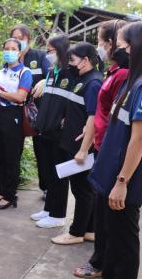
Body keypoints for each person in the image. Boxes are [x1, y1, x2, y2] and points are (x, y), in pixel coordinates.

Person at [74, 20, 129, 278]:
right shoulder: (113, 72)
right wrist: (91, 129)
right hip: (102, 149)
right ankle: (99, 261)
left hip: (111, 153)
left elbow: (119, 120)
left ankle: (102, 263)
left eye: (100, 39)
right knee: (102, 211)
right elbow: (103, 113)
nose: (99, 45)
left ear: (112, 42)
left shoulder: (123, 77)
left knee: (114, 219)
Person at [89, 22, 142, 279]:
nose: (116, 52)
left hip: (123, 178)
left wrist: (122, 181)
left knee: (123, 242)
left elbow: (139, 140)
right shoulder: (130, 81)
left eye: (121, 47)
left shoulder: (141, 86)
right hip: (111, 172)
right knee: (112, 236)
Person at [49, 42, 103, 245]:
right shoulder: (82, 78)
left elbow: (92, 118)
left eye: (72, 60)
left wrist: (82, 150)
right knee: (83, 190)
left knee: (82, 191)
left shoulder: (93, 83)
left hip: (80, 147)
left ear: (85, 60)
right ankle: (90, 229)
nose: (69, 63)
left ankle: (76, 232)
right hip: (71, 142)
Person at [0, 38, 33, 209]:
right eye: (6, 48)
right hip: (0, 114)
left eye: (13, 49)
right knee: (0, 156)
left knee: (11, 157)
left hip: (14, 115)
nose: (9, 51)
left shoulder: (25, 72)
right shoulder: (1, 72)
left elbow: (20, 96)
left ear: (19, 52)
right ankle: (2, 191)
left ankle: (10, 196)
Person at [31, 34, 74, 228]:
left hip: (60, 131)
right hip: (46, 128)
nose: (48, 54)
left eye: (50, 51)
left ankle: (58, 215)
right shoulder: (52, 71)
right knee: (48, 171)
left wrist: (63, 121)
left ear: (61, 51)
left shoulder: (70, 72)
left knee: (58, 174)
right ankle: (49, 209)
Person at [11, 24, 50, 197]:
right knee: (13, 150)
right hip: (15, 111)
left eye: (21, 38)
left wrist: (45, 80)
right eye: (15, 38)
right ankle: (10, 187)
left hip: (38, 112)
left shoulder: (40, 56)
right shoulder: (10, 60)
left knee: (41, 150)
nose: (18, 41)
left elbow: (55, 72)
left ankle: (46, 187)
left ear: (29, 39)